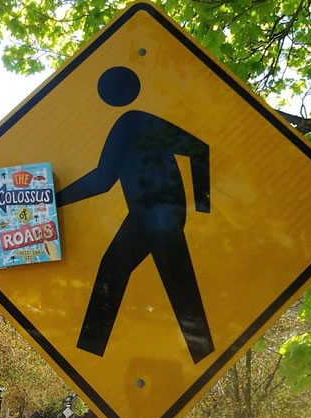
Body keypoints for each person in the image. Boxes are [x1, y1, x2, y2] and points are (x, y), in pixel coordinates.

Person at [56, 66, 214, 364]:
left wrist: (203, 208)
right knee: (165, 285)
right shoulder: (136, 122)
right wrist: (55, 201)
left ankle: (90, 354)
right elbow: (104, 180)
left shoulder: (132, 122)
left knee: (130, 276)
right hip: (155, 216)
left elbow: (103, 179)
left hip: (155, 217)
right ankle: (202, 355)